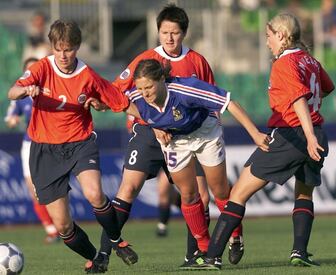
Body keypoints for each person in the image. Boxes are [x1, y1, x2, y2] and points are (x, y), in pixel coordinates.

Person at [97, 4, 244, 268]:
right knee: (128, 188)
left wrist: (214, 131)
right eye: (164, 32)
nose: (169, 38)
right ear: (158, 32)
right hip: (148, 130)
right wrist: (151, 122)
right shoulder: (145, 60)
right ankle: (104, 254)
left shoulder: (197, 61)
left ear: (183, 33)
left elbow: (211, 101)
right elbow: (118, 92)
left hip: (188, 134)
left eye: (174, 32)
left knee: (202, 194)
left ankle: (199, 253)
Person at [189, 13, 335, 270]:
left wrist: (308, 135)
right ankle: (299, 252)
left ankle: (212, 257)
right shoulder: (309, 59)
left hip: (293, 133)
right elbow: (326, 87)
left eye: (269, 36)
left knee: (238, 193)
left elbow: (298, 100)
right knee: (303, 193)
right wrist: (313, 133)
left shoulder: (284, 64)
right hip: (317, 131)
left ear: (281, 35)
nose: (267, 42)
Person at [7, 19, 139, 274]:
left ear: (77, 47)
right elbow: (12, 92)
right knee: (63, 226)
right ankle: (95, 258)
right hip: (44, 149)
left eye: (68, 49)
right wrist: (25, 90)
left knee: (95, 194)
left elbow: (119, 102)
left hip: (80, 142)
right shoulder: (41, 68)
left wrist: (152, 122)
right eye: (58, 49)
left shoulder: (88, 75)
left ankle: (116, 241)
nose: (63, 55)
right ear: (52, 47)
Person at [127, 58, 270, 268]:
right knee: (188, 194)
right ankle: (204, 249)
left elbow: (229, 103)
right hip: (175, 140)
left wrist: (255, 133)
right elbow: (119, 103)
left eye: (149, 87)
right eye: (140, 88)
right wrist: (152, 123)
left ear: (161, 80)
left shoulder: (186, 89)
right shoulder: (137, 95)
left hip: (204, 133)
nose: (145, 93)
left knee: (220, 191)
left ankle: (236, 234)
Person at [4, 57, 60, 244]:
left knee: (53, 187)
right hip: (30, 144)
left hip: (52, 143)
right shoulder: (21, 96)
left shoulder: (51, 90)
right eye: (29, 70)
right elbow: (10, 117)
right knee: (33, 189)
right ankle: (51, 229)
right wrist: (12, 121)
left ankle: (62, 225)